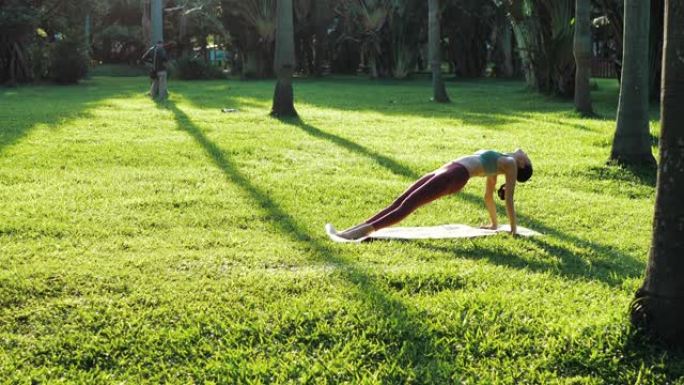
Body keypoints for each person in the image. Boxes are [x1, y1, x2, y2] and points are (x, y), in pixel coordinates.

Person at [330, 149, 533, 239]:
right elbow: (488, 197)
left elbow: (509, 199)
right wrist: (495, 225)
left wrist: (513, 229)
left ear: (522, 164)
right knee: (401, 201)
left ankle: (356, 233)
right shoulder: (500, 163)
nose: (525, 153)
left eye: (528, 159)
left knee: (409, 205)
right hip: (450, 169)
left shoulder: (510, 164)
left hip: (455, 176)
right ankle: (357, 228)